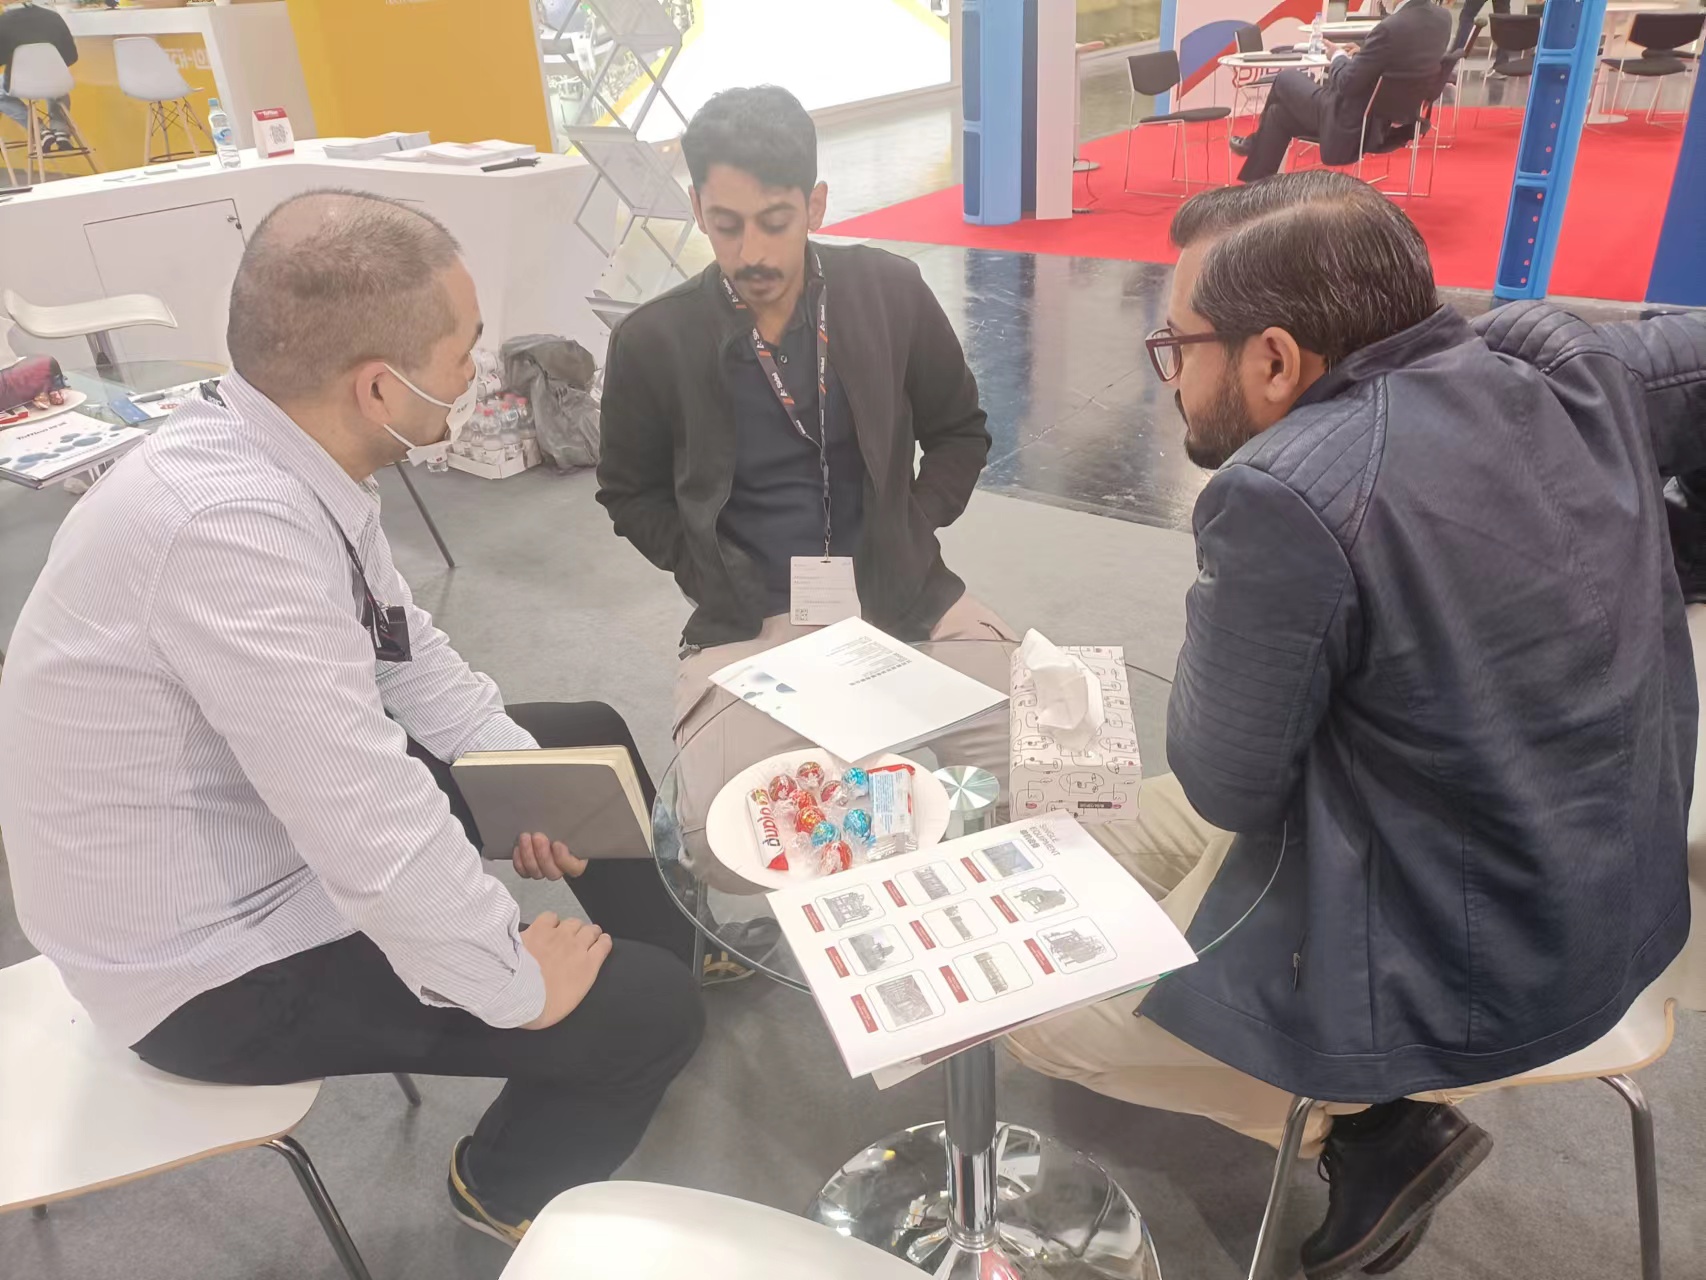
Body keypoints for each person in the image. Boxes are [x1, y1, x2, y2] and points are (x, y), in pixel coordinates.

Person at [1007, 172, 1702, 1279]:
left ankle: (1372, 1127)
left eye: (1177, 344)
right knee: (1077, 834)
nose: (1169, 374)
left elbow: (1228, 781)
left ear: (1275, 360)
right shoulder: (1569, 360)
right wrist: (1674, 557)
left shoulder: (1284, 494)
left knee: (1027, 1008)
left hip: (1467, 951)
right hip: (1612, 890)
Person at [0, 190, 704, 1246]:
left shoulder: (286, 455)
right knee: (649, 1013)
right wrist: (515, 983)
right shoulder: (226, 532)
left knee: (574, 738)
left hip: (251, 827)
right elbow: (366, 823)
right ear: (380, 386)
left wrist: (526, 789)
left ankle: (667, 950)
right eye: (464, 351)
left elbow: (405, 656)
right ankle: (503, 1184)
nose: (476, 373)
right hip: (203, 965)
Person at [595, 84, 1014, 783]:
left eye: (775, 221)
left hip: (904, 595)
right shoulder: (652, 340)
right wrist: (707, 569)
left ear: (815, 206)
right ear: (697, 208)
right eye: (726, 225)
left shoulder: (890, 291)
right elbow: (628, 492)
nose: (750, 252)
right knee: (725, 828)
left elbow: (960, 432)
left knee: (1044, 765)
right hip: (751, 620)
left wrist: (909, 526)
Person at [1229, 0, 1453, 182]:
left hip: (1351, 122)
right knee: (1279, 114)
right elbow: (1403, 59)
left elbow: (1347, 83)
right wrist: (1365, 54)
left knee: (1286, 78)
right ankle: (1256, 190)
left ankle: (1255, 142)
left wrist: (1337, 56)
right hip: (1387, 122)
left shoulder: (1390, 27)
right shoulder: (1442, 19)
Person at [0, 0, 76, 153]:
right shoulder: (53, 16)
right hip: (56, 81)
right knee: (57, 88)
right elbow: (71, 56)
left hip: (19, 83)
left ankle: (39, 130)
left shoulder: (3, 22)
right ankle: (61, 130)